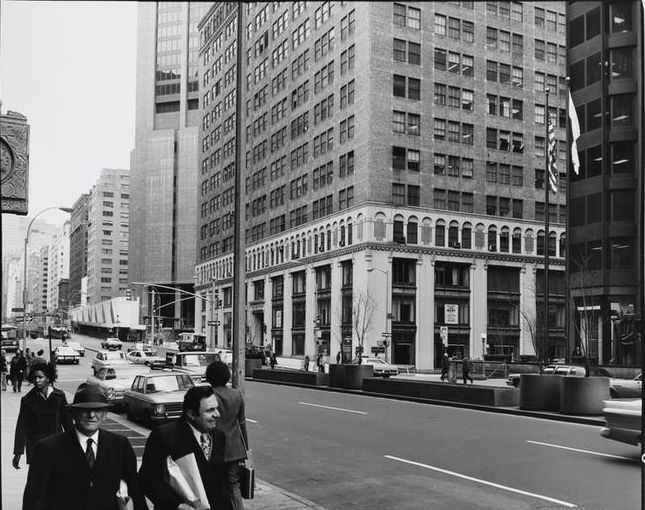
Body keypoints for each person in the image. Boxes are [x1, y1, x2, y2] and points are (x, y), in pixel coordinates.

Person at [22, 383, 148, 510]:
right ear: (73, 413)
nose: (91, 415)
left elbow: (135, 491)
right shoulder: (47, 448)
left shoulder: (120, 445)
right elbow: (33, 498)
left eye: (97, 410)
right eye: (85, 410)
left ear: (105, 415)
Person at [139, 385, 228, 510]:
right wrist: (177, 505)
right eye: (210, 410)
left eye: (217, 409)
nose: (217, 414)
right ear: (191, 414)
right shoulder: (164, 436)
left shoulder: (219, 437)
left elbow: (221, 483)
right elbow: (147, 479)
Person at [13, 361, 73, 470]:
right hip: (36, 448)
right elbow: (22, 426)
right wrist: (18, 452)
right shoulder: (27, 400)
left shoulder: (59, 396)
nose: (37, 380)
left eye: (40, 377)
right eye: (35, 378)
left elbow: (68, 423)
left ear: (48, 378)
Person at [206, 361, 249, 509]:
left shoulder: (208, 396)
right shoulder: (236, 394)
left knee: (212, 484)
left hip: (213, 449)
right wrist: (246, 449)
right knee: (233, 485)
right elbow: (242, 423)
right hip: (234, 449)